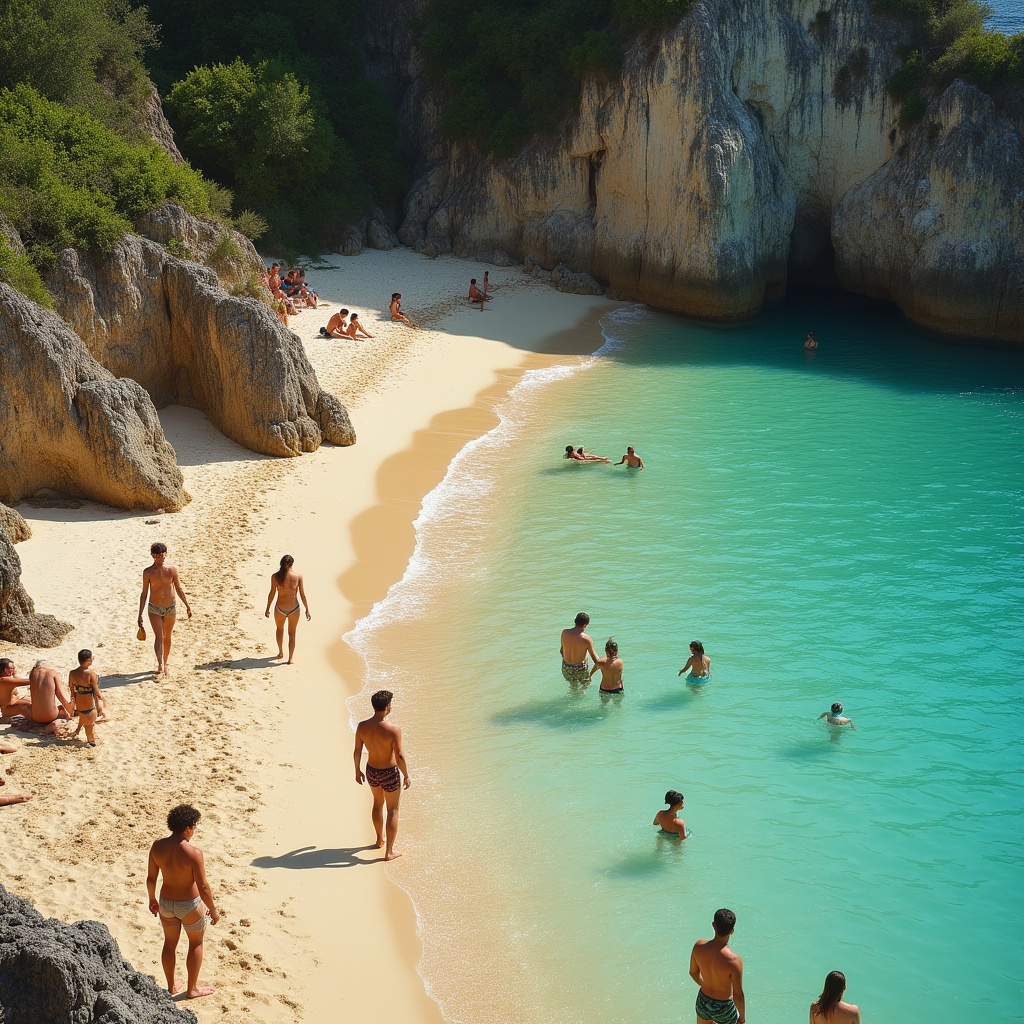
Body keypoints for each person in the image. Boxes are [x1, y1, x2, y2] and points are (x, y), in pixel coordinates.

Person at [147, 803, 220, 1000]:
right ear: (187, 827)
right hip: (189, 905)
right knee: (196, 943)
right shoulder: (193, 853)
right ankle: (192, 989)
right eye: (194, 826)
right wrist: (213, 910)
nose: (194, 831)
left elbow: (151, 878)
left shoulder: (157, 846)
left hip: (166, 903)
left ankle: (171, 986)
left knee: (169, 943)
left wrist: (152, 899)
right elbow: (203, 887)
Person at [354, 690, 411, 861]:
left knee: (377, 804)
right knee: (392, 809)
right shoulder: (393, 730)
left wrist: (357, 770)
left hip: (372, 770)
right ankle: (390, 851)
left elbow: (357, 751)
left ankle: (379, 839)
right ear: (387, 706)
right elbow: (399, 755)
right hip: (389, 772)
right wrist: (406, 775)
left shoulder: (362, 726)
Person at [138, 542, 193, 678]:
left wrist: (187, 605)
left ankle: (166, 662)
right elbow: (144, 593)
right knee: (159, 636)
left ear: (166, 554)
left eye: (162, 556)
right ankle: (160, 664)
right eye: (157, 556)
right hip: (154, 608)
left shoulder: (172, 570)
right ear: (152, 555)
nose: (160, 559)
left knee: (167, 636)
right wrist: (140, 614)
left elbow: (179, 589)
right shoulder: (148, 572)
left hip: (170, 607)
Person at [690, 908, 745, 1024]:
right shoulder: (734, 960)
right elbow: (738, 994)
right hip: (723, 1007)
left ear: (713, 925)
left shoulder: (698, 946)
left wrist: (705, 984)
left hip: (703, 1000)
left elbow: (693, 972)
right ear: (732, 931)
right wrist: (742, 1016)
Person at [264, 555, 310, 663]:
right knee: (292, 634)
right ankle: (290, 658)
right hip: (294, 609)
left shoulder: (275, 577)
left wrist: (267, 608)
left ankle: (280, 652)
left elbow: (272, 593)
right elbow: (303, 595)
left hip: (280, 608)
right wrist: (307, 609)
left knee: (279, 630)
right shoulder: (298, 577)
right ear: (291, 565)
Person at [65, 649, 104, 746]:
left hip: (79, 699)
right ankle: (91, 741)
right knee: (90, 723)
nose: (92, 659)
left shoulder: (72, 673)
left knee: (83, 715)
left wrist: (73, 701)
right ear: (87, 660)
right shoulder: (90, 673)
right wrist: (99, 702)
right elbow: (95, 690)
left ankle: (78, 730)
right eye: (91, 658)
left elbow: (71, 688)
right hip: (88, 700)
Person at [28, 661, 73, 731]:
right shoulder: (52, 672)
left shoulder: (32, 673)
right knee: (61, 707)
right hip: (51, 716)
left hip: (35, 717)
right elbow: (59, 694)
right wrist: (70, 710)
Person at [560, 612, 599, 687]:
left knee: (573, 686)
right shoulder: (587, 639)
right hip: (580, 668)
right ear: (585, 625)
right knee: (585, 685)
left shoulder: (564, 633)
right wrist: (590, 674)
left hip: (566, 667)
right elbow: (596, 662)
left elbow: (561, 651)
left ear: (575, 621)